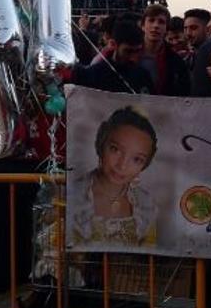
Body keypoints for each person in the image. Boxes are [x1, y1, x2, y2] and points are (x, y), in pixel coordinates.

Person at [68, 106, 158, 247]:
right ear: (101, 143)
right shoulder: (72, 194)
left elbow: (149, 261)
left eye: (137, 159)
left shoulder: (146, 204)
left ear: (145, 165)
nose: (122, 165)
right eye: (115, 149)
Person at [71, 19, 153, 95]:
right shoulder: (95, 74)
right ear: (114, 44)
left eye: (138, 51)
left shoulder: (143, 76)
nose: (133, 57)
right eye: (128, 51)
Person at [138, 4, 190, 96]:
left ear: (166, 28)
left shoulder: (176, 62)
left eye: (161, 22)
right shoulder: (128, 55)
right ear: (142, 26)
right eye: (151, 20)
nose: (156, 26)